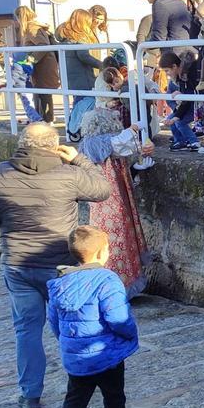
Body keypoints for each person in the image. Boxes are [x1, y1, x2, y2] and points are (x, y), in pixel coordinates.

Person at [0, 123, 111, 408]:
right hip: (60, 266)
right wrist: (79, 159)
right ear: (54, 146)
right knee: (72, 325)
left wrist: (8, 219)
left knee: (27, 330)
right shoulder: (69, 175)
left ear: (22, 143)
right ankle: (85, 381)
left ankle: (30, 394)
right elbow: (103, 189)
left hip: (17, 263)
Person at [44, 225, 146, 408]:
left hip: (77, 358)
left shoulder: (59, 284)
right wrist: (130, 334)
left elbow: (54, 322)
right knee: (114, 395)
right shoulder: (107, 279)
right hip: (105, 353)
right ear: (102, 253)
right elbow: (118, 318)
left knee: (75, 401)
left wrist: (69, 344)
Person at [79, 105, 154, 295]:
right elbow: (119, 142)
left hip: (118, 200)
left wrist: (137, 166)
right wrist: (133, 129)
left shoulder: (107, 144)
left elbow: (122, 152)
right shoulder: (93, 143)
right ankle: (113, 286)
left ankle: (124, 283)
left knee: (124, 236)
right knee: (112, 239)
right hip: (106, 202)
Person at [57, 9, 107, 141]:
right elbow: (84, 56)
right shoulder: (79, 38)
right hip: (83, 77)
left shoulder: (66, 37)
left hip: (70, 77)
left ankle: (74, 130)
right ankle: (76, 130)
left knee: (78, 103)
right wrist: (102, 65)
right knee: (85, 104)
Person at [16, 6, 58, 122]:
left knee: (42, 94)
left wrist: (29, 61)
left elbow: (43, 45)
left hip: (42, 66)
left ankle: (44, 121)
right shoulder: (36, 27)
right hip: (45, 64)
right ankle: (42, 120)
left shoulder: (32, 28)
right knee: (42, 94)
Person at [158, 51, 201, 151]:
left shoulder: (187, 76)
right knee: (172, 118)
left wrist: (177, 116)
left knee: (179, 122)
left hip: (195, 105)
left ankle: (194, 141)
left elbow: (188, 98)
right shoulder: (180, 77)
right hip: (188, 104)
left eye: (167, 71)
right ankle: (180, 141)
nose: (166, 74)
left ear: (174, 66)